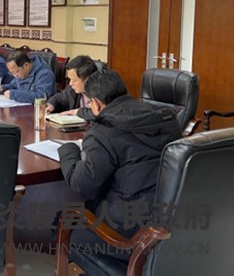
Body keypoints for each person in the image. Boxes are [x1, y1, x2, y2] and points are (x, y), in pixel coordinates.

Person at [58, 70, 181, 264]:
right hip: (169, 222)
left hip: (129, 231)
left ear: (96, 104)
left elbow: (82, 185)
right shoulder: (166, 118)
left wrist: (68, 150)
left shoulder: (104, 131)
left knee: (63, 224)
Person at [46, 55, 98, 120]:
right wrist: (51, 105)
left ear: (87, 80)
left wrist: (77, 112)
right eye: (70, 79)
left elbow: (100, 114)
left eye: (74, 80)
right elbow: (59, 99)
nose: (70, 83)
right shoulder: (72, 90)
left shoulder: (102, 93)